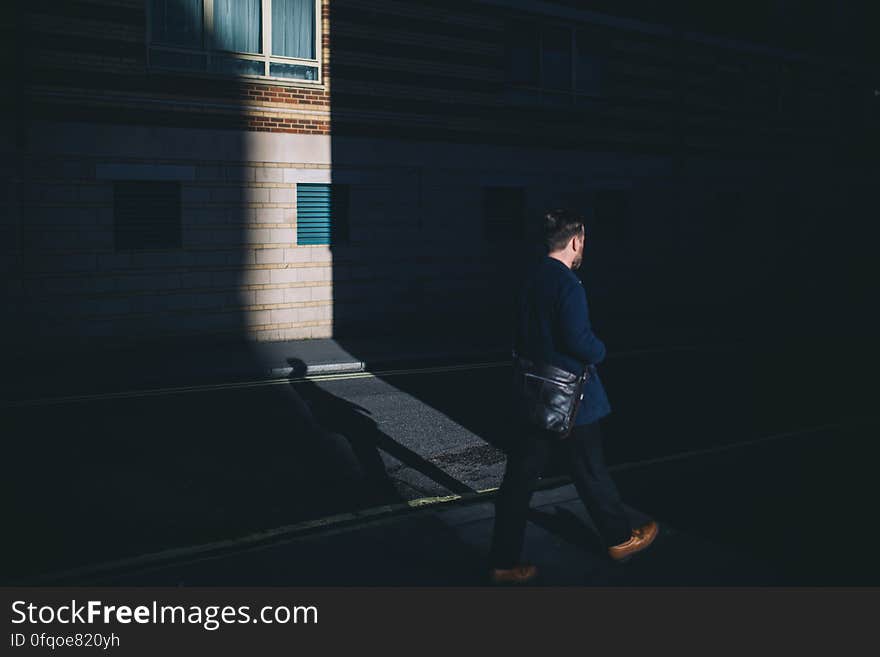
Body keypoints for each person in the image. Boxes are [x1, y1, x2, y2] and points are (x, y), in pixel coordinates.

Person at [488, 208, 658, 584]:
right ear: (576, 241)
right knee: (591, 472)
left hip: (533, 395)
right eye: (584, 242)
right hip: (571, 398)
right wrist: (601, 350)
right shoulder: (568, 284)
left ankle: (503, 562)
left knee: (518, 482)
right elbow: (578, 341)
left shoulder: (529, 278)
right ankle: (619, 539)